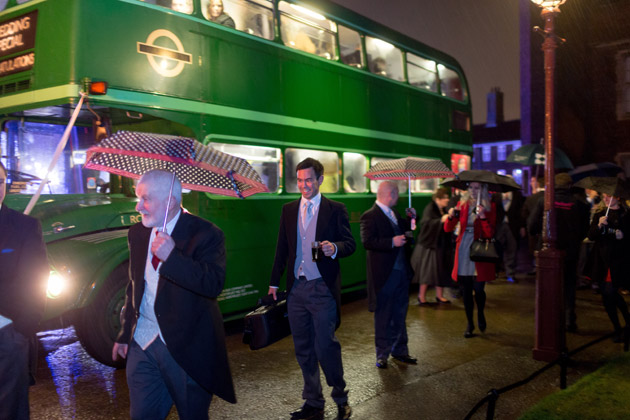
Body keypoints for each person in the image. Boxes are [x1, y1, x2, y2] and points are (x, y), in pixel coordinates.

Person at [112, 169, 236, 419]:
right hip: (143, 344)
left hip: (186, 348)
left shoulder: (207, 234)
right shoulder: (137, 234)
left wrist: (173, 258)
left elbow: (213, 284)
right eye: (138, 198)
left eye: (145, 199)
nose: (139, 207)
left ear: (169, 202)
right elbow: (134, 285)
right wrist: (126, 334)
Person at [268, 158, 355, 420]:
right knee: (303, 348)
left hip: (322, 288)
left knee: (325, 345)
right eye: (300, 180)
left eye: (309, 180)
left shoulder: (335, 208)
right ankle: (313, 401)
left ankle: (340, 397)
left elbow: (350, 244)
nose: (304, 185)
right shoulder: (288, 209)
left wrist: (334, 248)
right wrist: (274, 282)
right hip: (297, 289)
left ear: (320, 180)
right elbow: (282, 248)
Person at [0, 161, 48, 420]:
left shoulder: (25, 226)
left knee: (11, 410)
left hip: (8, 334)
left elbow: (37, 277)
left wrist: (23, 330)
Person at [360, 181, 417, 369]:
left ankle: (400, 350)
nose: (399, 197)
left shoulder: (396, 214)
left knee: (400, 313)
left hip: (401, 273)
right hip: (384, 275)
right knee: (383, 315)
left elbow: (408, 236)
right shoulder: (369, 216)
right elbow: (367, 242)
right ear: (391, 194)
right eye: (397, 193)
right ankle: (382, 354)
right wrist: (392, 242)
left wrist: (411, 221)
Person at [527, 173, 590, 332]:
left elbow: (532, 226)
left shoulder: (545, 201)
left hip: (548, 251)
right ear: (569, 186)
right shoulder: (580, 204)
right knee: (569, 285)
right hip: (570, 250)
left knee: (548, 286)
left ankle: (550, 318)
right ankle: (569, 318)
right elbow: (585, 230)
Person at [444, 182, 497, 338]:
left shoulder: (490, 206)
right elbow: (447, 228)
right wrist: (452, 215)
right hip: (464, 248)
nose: (473, 191)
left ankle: (480, 313)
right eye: (471, 187)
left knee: (479, 289)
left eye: (477, 188)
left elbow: (490, 234)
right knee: (466, 289)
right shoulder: (462, 204)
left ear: (483, 189)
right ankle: (470, 323)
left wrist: (482, 217)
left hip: (480, 250)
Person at [586, 192, 630, 343]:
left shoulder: (626, 214)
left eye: (609, 196)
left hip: (618, 260)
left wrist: (622, 237)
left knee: (610, 292)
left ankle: (626, 322)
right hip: (602, 260)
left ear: (618, 197)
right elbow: (591, 236)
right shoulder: (600, 213)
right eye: (604, 196)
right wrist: (599, 225)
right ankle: (617, 328)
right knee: (606, 296)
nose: (605, 199)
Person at [411, 187, 453, 305]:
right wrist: (440, 220)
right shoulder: (430, 209)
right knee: (427, 272)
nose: (447, 200)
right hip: (429, 246)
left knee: (441, 271)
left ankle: (439, 296)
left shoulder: (443, 209)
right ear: (438, 199)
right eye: (445, 198)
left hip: (440, 245)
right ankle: (421, 296)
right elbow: (426, 224)